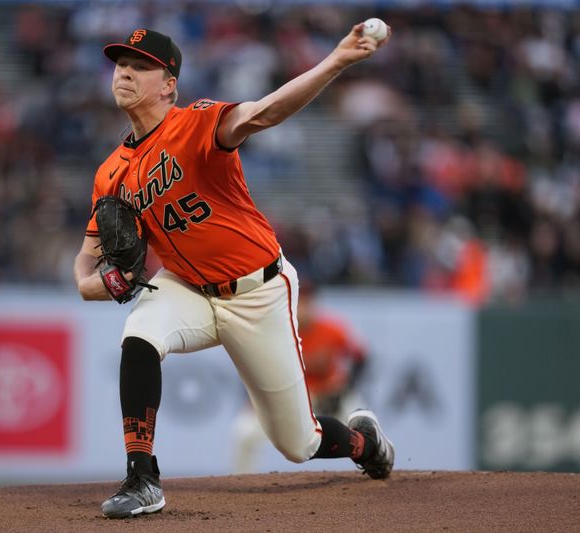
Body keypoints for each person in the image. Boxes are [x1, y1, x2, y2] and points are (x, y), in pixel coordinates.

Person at [73, 24, 394, 519]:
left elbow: (264, 113)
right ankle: (142, 479)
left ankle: (362, 444)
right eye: (121, 64)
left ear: (169, 85)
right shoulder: (110, 172)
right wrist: (103, 283)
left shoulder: (197, 122)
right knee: (138, 335)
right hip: (186, 286)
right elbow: (84, 268)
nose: (125, 73)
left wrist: (336, 62)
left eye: (141, 66)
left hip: (258, 290)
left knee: (298, 443)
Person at [231, 279, 368, 474]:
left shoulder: (332, 330)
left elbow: (362, 358)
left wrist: (344, 387)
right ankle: (240, 482)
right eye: (298, 302)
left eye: (307, 302)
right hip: (289, 400)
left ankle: (377, 468)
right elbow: (250, 366)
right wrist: (255, 398)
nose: (303, 308)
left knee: (364, 424)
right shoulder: (273, 332)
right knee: (244, 432)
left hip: (328, 398)